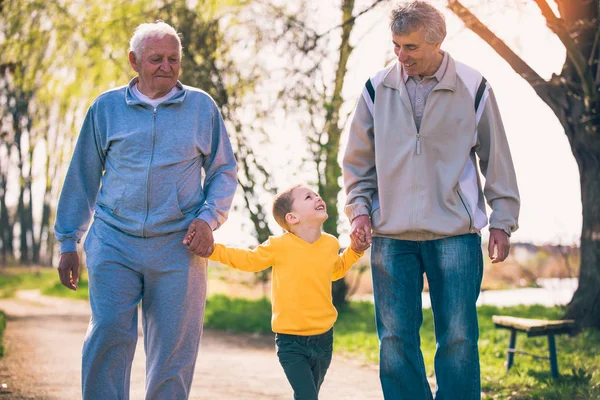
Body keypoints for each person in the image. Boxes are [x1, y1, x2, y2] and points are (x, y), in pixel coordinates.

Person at [342, 2, 520, 399]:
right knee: (394, 339)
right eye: (396, 46)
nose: (401, 57)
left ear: (436, 42)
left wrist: (503, 220)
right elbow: (357, 162)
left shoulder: (474, 87)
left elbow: (497, 158)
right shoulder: (375, 89)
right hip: (390, 236)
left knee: (457, 337)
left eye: (411, 48)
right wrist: (358, 212)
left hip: (454, 234)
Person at [54, 21, 237, 399]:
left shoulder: (201, 107)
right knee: (108, 334)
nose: (166, 67)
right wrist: (68, 241)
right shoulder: (106, 109)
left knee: (173, 350)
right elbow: (82, 177)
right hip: (113, 240)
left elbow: (223, 172)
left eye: (174, 59)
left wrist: (208, 219)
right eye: (156, 59)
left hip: (178, 245)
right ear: (134, 61)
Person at [189, 184, 369, 400]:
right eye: (308, 197)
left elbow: (335, 270)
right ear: (292, 218)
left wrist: (355, 251)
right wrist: (213, 250)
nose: (318, 198)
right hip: (290, 342)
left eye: (317, 195)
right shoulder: (279, 246)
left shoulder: (330, 244)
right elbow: (249, 260)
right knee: (307, 396)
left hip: (324, 339)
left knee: (311, 394)